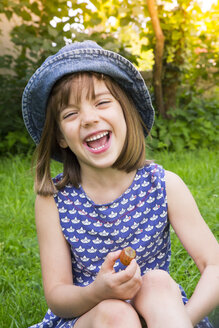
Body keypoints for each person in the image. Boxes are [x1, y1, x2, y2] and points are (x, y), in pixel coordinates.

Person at [22, 40, 219, 328]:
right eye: (70, 113)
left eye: (102, 102)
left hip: (160, 313)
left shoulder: (164, 186)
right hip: (90, 316)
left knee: (158, 282)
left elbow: (214, 266)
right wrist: (97, 291)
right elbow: (58, 296)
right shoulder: (54, 200)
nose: (89, 118)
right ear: (61, 137)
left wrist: (183, 320)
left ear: (126, 113)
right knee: (116, 312)